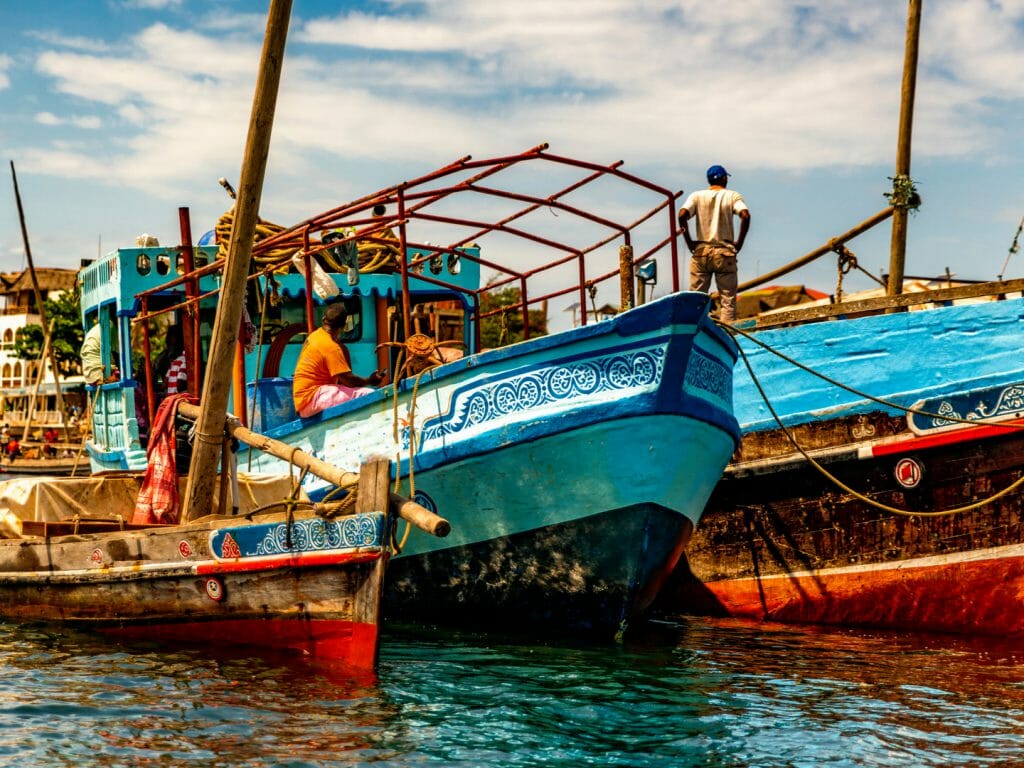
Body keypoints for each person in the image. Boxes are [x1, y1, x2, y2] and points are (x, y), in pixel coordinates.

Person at [678, 164, 751, 323]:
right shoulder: (732, 196)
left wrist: (690, 242)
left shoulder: (696, 196)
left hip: (701, 252)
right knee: (727, 300)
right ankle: (727, 334)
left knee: (696, 299)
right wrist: (739, 243)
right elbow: (745, 215)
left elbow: (682, 214)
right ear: (724, 178)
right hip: (724, 253)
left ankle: (693, 332)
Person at [292, 303, 384, 418]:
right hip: (313, 399)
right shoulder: (332, 347)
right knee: (368, 394)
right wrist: (370, 381)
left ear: (323, 319)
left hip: (302, 402)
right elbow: (348, 381)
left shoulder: (313, 336)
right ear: (344, 326)